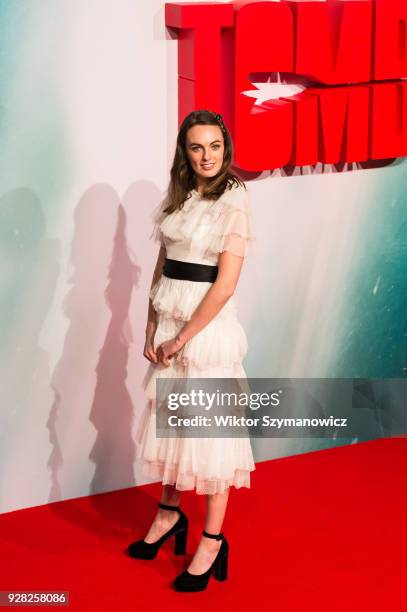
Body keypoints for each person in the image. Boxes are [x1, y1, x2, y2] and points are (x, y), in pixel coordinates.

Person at [128, 109, 256, 592]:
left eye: (215, 147)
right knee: (174, 424)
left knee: (210, 437)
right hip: (171, 325)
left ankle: (212, 539)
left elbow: (223, 286)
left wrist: (183, 338)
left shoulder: (235, 198)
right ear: (185, 151)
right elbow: (162, 266)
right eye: (197, 147)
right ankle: (169, 514)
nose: (207, 157)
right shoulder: (178, 198)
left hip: (207, 334)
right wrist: (150, 328)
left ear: (226, 149)